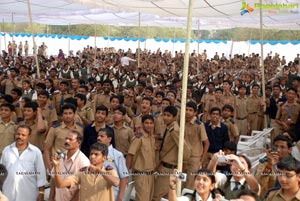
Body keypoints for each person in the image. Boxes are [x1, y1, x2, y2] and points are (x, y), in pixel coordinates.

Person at [53, 142, 120, 201]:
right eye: (91, 154)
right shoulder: (82, 172)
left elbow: (116, 183)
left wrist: (99, 170)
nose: (92, 156)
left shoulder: (109, 171)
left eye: (96, 154)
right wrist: (56, 166)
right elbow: (60, 184)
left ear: (104, 158)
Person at [0, 125, 47, 201]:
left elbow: (41, 174)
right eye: (18, 134)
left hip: (29, 194)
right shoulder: (7, 150)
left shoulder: (35, 152)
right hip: (8, 193)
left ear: (29, 137)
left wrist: (41, 193)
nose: (20, 137)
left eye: (23, 135)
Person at [50, 130, 90, 201]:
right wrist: (51, 197)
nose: (67, 141)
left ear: (78, 142)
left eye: (70, 139)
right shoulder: (60, 156)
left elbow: (82, 189)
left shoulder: (84, 162)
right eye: (66, 138)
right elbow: (54, 178)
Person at [126, 114, 156, 201]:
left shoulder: (152, 138)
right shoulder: (138, 137)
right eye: (146, 123)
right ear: (142, 124)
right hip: (141, 175)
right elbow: (130, 155)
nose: (149, 125)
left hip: (151, 175)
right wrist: (127, 172)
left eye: (151, 123)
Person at [97, 128, 129, 201]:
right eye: (98, 136)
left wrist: (120, 197)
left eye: (102, 136)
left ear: (109, 139)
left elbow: (124, 177)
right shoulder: (94, 154)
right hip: (97, 194)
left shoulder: (117, 155)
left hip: (113, 194)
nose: (98, 138)